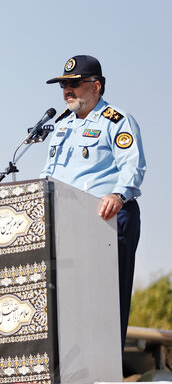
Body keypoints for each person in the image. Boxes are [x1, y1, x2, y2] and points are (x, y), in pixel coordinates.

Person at [41, 55, 146, 350]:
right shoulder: (61, 127)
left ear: (96, 86)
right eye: (64, 85)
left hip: (108, 220)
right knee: (68, 306)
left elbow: (133, 166)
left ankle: (106, 366)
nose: (67, 91)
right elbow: (48, 174)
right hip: (65, 224)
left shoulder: (117, 121)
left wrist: (118, 194)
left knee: (106, 304)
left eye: (74, 84)